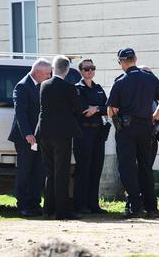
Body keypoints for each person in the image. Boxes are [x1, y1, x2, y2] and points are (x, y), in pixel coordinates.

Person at [106, 48, 159, 219]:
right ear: (135, 59)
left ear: (122, 62)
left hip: (126, 129)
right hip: (146, 128)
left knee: (127, 168)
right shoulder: (150, 78)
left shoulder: (120, 81)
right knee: (145, 167)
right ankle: (152, 207)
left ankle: (135, 205)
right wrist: (154, 118)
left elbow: (111, 111)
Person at [36, 55, 88, 220]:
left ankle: (48, 209)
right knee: (62, 172)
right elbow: (79, 109)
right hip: (62, 134)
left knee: (50, 171)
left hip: (44, 132)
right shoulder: (69, 88)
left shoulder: (43, 85)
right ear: (66, 70)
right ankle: (62, 211)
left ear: (53, 68)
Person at [8, 58, 51, 217]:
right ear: (38, 72)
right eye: (47, 73)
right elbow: (20, 113)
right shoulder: (23, 86)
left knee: (39, 171)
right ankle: (23, 205)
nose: (49, 76)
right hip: (25, 137)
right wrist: (27, 134)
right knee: (25, 171)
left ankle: (34, 204)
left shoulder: (41, 85)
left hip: (39, 137)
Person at [73, 59, 109, 214]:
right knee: (83, 170)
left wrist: (95, 109)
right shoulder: (77, 89)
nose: (89, 71)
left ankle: (93, 204)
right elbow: (81, 110)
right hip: (83, 133)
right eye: (86, 69)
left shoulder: (99, 89)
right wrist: (96, 109)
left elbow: (108, 108)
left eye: (92, 68)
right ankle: (80, 204)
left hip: (98, 133)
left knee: (96, 169)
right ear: (80, 71)